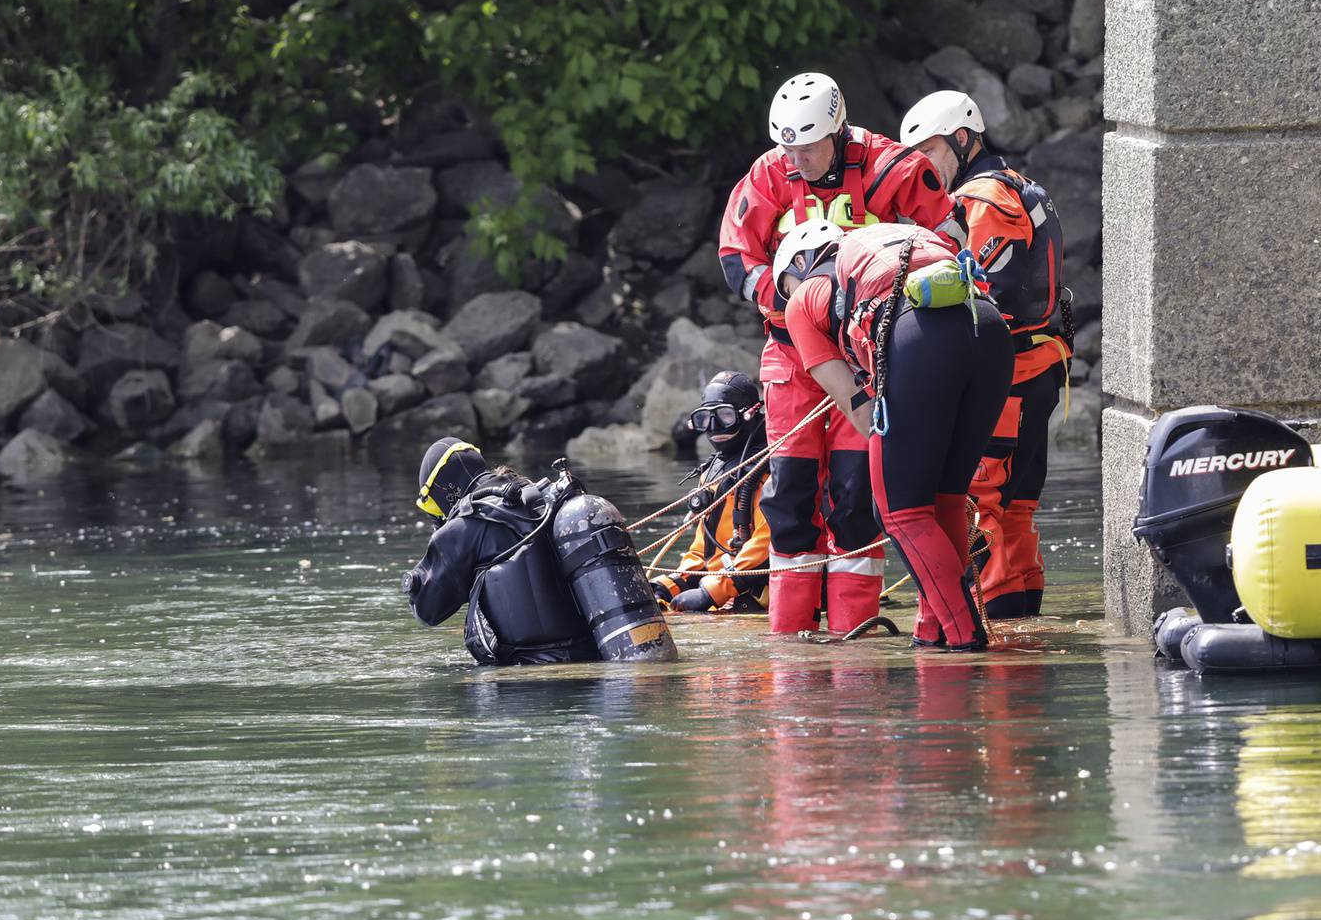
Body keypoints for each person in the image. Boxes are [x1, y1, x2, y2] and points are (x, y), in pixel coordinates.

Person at [718, 72, 955, 635]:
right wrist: (775, 292)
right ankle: (791, 639)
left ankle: (856, 635)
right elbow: (735, 253)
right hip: (790, 352)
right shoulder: (769, 174)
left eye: (806, 147)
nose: (795, 159)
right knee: (790, 494)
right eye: (787, 147)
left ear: (837, 131)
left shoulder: (892, 169)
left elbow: (947, 233)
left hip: (864, 354)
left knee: (854, 495)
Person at [778, 222, 1014, 651]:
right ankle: (933, 631)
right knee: (945, 498)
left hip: (920, 335)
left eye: (785, 285)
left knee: (901, 511)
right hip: (990, 328)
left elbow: (862, 412)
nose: (786, 298)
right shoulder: (886, 237)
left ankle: (964, 639)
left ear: (800, 262)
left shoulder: (802, 301)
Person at [899, 90, 1070, 618]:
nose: (922, 168)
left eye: (930, 151)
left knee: (981, 503)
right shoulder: (1019, 186)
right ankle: (1021, 627)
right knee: (1017, 508)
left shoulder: (983, 199)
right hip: (1038, 369)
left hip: (1009, 376)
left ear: (963, 139)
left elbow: (984, 289)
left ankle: (989, 626)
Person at [401, 437, 677, 665]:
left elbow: (427, 610)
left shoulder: (466, 524)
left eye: (435, 509)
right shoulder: (544, 499)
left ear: (444, 492)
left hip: (533, 676)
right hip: (598, 655)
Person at [656, 370, 772, 614]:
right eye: (704, 419)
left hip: (758, 592)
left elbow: (768, 542)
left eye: (726, 416)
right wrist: (671, 585)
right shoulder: (712, 472)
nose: (715, 427)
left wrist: (713, 591)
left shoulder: (770, 467)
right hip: (724, 587)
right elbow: (703, 550)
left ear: (750, 413)